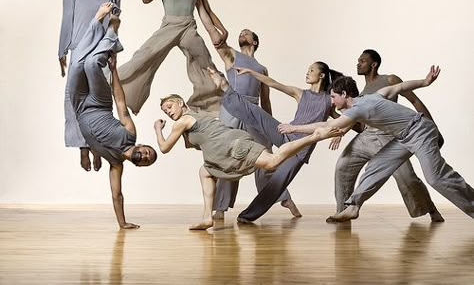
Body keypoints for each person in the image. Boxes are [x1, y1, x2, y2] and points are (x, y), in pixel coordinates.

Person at [278, 67, 474, 222]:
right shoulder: (373, 96)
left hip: (420, 130)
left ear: (344, 94)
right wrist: (424, 82)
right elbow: (400, 87)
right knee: (377, 165)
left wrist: (294, 128)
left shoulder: (357, 110)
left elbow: (327, 125)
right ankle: (353, 206)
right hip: (404, 137)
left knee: (435, 178)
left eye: (333, 96)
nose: (331, 101)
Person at [154, 81, 341, 230]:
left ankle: (313, 136)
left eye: (169, 106)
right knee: (205, 172)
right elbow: (205, 138)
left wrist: (157, 129)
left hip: (234, 147)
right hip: (226, 150)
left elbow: (164, 148)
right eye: (165, 111)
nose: (169, 112)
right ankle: (206, 217)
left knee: (272, 162)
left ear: (180, 103)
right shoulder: (197, 116)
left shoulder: (182, 122)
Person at [69, 2, 157, 228]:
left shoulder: (116, 164)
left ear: (141, 166)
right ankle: (107, 26)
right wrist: (114, 70)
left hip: (79, 107)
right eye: (148, 152)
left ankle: (110, 31)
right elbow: (120, 101)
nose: (145, 155)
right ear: (143, 145)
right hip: (100, 103)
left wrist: (123, 223)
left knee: (77, 63)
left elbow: (117, 195)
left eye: (147, 160)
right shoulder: (130, 134)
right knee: (91, 64)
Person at [333, 49, 444, 222]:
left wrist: (433, 129)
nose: (358, 63)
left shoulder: (389, 80)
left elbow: (415, 101)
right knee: (343, 166)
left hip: (390, 136)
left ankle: (431, 210)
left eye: (362, 61)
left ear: (373, 64)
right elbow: (361, 126)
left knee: (406, 178)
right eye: (358, 60)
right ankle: (343, 211)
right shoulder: (361, 92)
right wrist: (338, 129)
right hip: (367, 137)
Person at [118, 0, 226, 115]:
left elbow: (207, 12)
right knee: (145, 54)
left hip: (188, 27)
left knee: (205, 62)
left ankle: (213, 105)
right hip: (170, 25)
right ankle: (115, 81)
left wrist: (222, 30)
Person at [206, 27, 299, 220]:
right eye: (240, 33)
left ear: (255, 42)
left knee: (266, 155)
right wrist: (203, 6)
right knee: (227, 155)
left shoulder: (262, 68)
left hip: (253, 109)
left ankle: (283, 197)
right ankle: (220, 208)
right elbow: (217, 41)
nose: (242, 34)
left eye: (246, 33)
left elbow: (265, 100)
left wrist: (270, 129)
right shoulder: (232, 55)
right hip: (232, 107)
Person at [59, 0, 121, 172]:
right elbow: (67, 18)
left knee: (101, 99)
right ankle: (82, 148)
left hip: (102, 50)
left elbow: (115, 22)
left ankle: (96, 144)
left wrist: (113, 49)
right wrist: (62, 50)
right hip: (79, 47)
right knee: (73, 98)